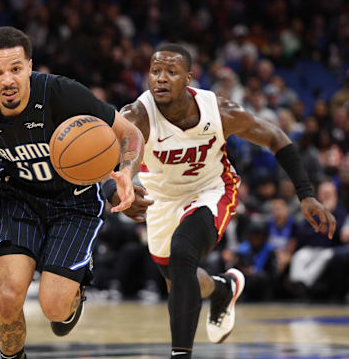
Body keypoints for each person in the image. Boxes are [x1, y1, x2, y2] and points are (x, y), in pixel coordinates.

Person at [104, 44, 336, 358]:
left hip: (210, 190)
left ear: (188, 78)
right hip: (160, 199)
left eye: (170, 72)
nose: (160, 78)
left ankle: (181, 353)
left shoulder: (219, 111)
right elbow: (118, 158)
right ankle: (223, 288)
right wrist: (119, 189)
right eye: (155, 71)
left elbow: (275, 137)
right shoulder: (137, 114)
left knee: (183, 254)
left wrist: (306, 194)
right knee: (179, 281)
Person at [0, 26, 144, 359]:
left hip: (75, 201)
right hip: (20, 199)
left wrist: (127, 172)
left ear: (30, 66)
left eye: (16, 69)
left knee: (54, 308)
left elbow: (129, 133)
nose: (8, 79)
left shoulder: (63, 94)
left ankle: (72, 296)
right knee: (9, 297)